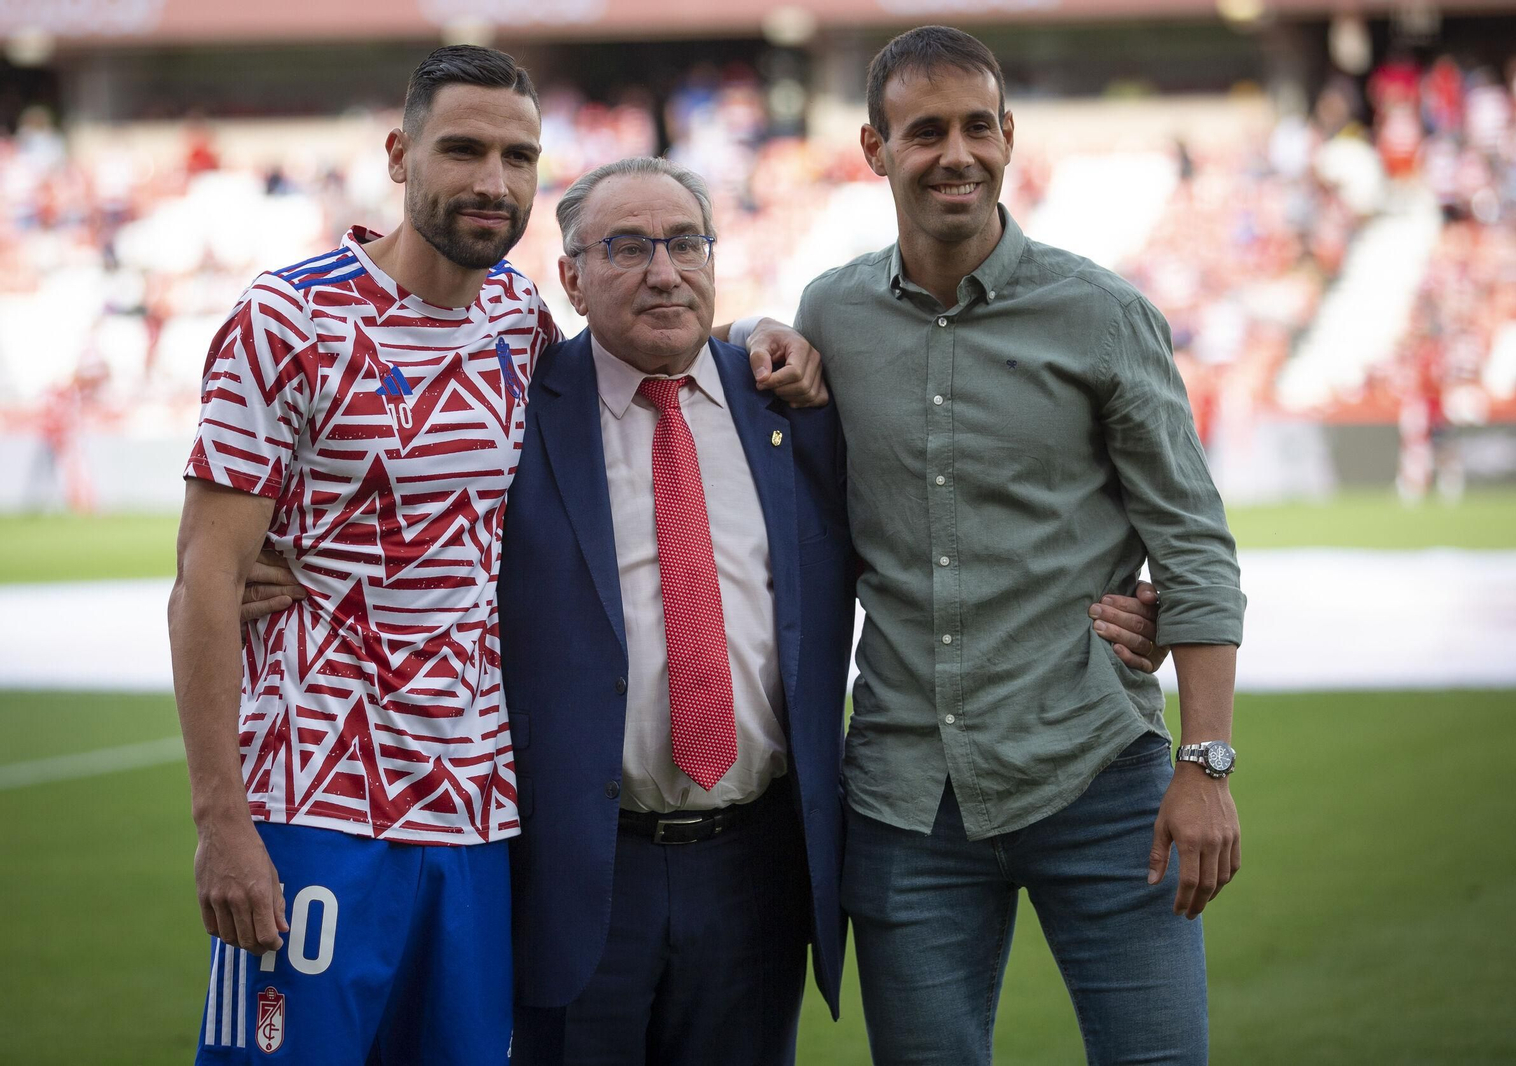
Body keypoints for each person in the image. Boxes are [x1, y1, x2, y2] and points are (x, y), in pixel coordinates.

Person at [170, 46, 822, 1065]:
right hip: (314, 803)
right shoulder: (287, 319)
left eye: (518, 156)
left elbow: (640, 338)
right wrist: (223, 822)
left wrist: (756, 333)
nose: (493, 180)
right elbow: (205, 579)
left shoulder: (515, 322)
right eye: (463, 149)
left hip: (480, 815)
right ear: (399, 153)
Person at [788, 26, 1247, 1065]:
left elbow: (1194, 545)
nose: (956, 152)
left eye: (976, 127)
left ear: (1008, 136)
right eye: (925, 131)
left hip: (1096, 774)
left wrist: (1205, 766)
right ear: (873, 149)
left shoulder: (1101, 314)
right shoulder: (831, 313)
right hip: (907, 798)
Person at [490, 155, 855, 1066]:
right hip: (580, 871)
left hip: (757, 870)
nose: (664, 270)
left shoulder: (793, 406)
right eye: (626, 247)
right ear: (569, 276)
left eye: (685, 241)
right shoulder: (513, 412)